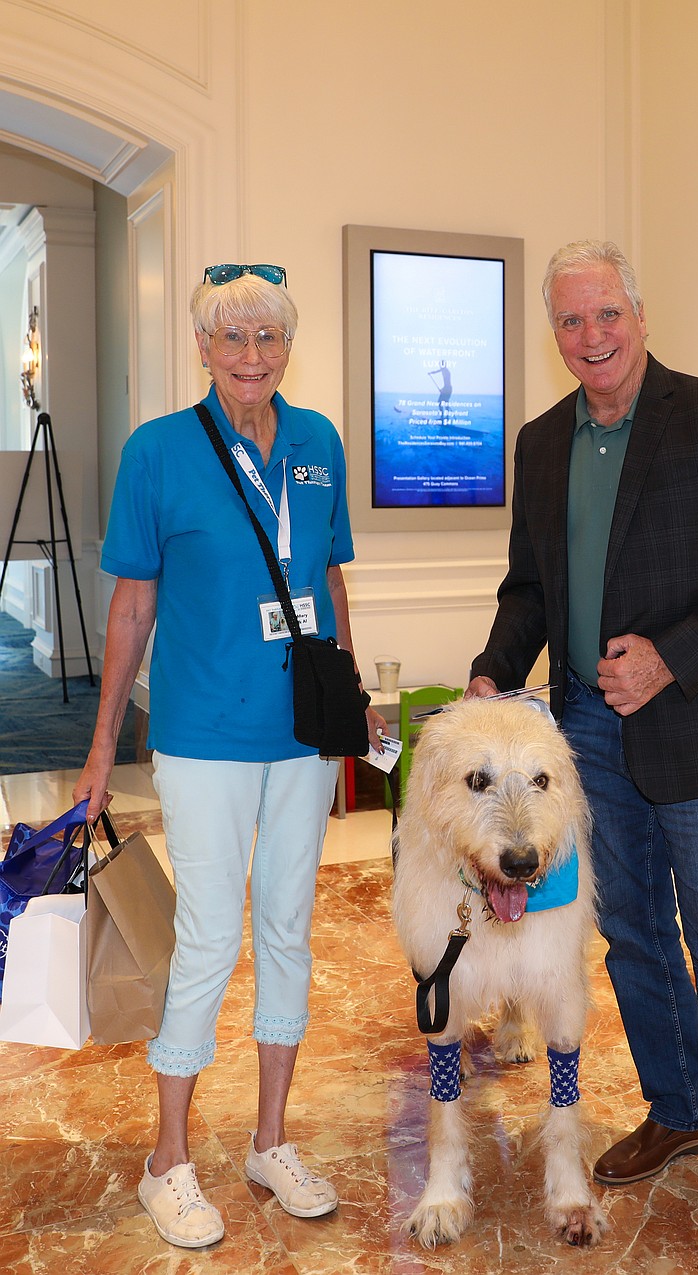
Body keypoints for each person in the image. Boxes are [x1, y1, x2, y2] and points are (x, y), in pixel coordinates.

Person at [467, 241, 698, 1274]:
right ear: (554, 333)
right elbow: (529, 583)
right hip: (586, 740)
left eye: (605, 314)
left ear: (638, 316)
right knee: (635, 943)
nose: (591, 337)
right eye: (570, 322)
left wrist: (670, 658)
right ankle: (679, 1109)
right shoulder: (542, 440)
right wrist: (490, 672)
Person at [74, 262, 385, 1250]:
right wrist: (97, 753)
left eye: (269, 337)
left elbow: (327, 577)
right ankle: (167, 1160)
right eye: (233, 337)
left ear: (286, 347)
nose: (252, 355)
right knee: (210, 934)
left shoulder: (317, 443)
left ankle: (269, 1140)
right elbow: (131, 605)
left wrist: (350, 703)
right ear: (203, 348)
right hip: (202, 735)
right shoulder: (158, 452)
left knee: (289, 927)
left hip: (298, 734)